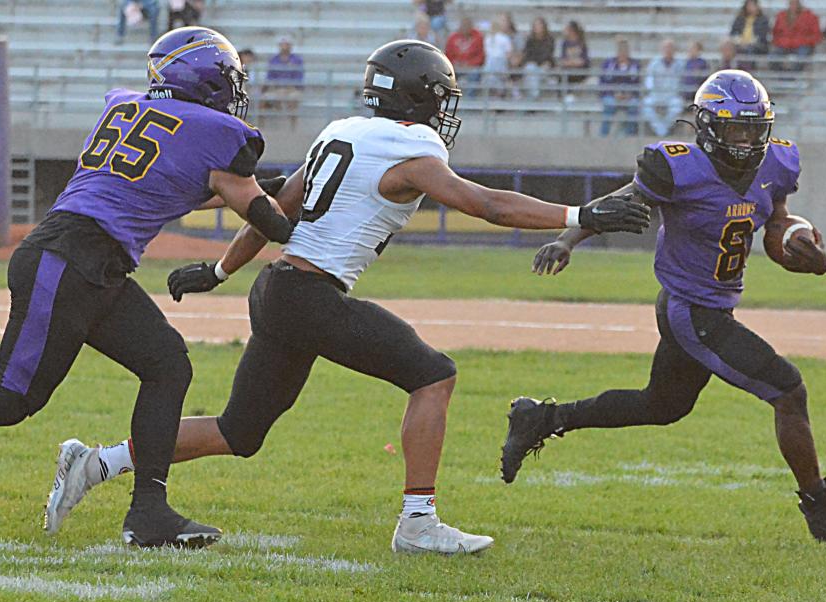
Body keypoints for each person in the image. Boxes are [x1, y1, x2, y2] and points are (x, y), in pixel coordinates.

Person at [44, 40, 651, 555]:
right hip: (308, 294)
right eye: (441, 97)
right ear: (421, 98)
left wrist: (223, 270)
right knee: (434, 375)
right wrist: (580, 211)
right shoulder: (410, 150)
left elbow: (278, 206)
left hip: (277, 288)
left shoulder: (343, 131)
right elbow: (484, 203)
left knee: (241, 430)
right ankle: (418, 521)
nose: (445, 110)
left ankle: (97, 462)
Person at [502, 69, 826, 544]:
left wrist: (803, 254)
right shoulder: (678, 166)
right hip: (690, 308)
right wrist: (567, 238)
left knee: (663, 405)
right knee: (788, 390)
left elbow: (774, 225)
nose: (747, 139)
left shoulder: (778, 163)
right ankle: (823, 514)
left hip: (711, 308)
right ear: (708, 128)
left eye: (754, 127)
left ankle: (542, 418)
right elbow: (625, 198)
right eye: (735, 128)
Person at [0, 26, 295, 548]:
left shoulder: (133, 108)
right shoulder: (213, 129)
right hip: (68, 257)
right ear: (204, 78)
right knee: (12, 397)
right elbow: (263, 215)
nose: (234, 90)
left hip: (88, 261)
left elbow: (191, 186)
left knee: (166, 364)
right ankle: (148, 510)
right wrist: (309, 208)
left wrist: (271, 191)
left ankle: (149, 513)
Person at [642, 39, 684, 136]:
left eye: (670, 48)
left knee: (677, 105)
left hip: (672, 95)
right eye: (666, 48)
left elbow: (682, 81)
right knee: (646, 104)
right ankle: (660, 130)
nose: (668, 50)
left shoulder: (680, 64)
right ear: (662, 50)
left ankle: (663, 129)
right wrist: (652, 89)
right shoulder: (654, 63)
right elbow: (649, 80)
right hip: (656, 94)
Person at [600, 38, 640, 136]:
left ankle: (629, 135)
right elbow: (603, 82)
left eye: (625, 50)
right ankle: (603, 136)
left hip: (629, 96)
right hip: (612, 95)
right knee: (609, 104)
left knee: (634, 105)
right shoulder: (609, 64)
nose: (623, 52)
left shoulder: (635, 65)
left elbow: (638, 83)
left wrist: (630, 94)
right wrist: (613, 93)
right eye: (621, 50)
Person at [772, 0, 823, 71]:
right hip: (784, 45)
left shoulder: (810, 17)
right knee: (773, 57)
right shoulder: (781, 16)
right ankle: (782, 76)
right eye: (791, 3)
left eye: (795, 3)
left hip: (803, 46)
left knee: (801, 57)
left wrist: (803, 41)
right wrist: (782, 42)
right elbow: (775, 33)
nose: (793, 5)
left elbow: (816, 36)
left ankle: (792, 76)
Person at [263, 35, 304, 120]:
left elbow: (299, 78)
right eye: (283, 44)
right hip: (276, 89)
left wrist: (289, 88)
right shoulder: (273, 60)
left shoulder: (297, 60)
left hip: (292, 89)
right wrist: (276, 87)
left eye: (287, 44)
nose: (284, 47)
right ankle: (261, 126)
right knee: (263, 99)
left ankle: (293, 127)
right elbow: (270, 77)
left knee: (294, 98)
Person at [521, 17, 556, 100]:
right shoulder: (530, 40)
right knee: (530, 68)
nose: (537, 27)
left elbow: (547, 55)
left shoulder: (549, 39)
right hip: (534, 66)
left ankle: (532, 98)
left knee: (536, 71)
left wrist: (536, 60)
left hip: (545, 65)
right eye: (536, 25)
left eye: (539, 25)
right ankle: (534, 96)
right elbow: (527, 54)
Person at [445, 15, 485, 88]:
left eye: (467, 25)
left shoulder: (478, 37)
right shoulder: (453, 38)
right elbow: (448, 54)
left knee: (475, 73)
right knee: (447, 73)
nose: (465, 28)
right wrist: (455, 63)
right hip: (456, 66)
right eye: (463, 25)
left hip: (472, 67)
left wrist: (469, 64)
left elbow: (480, 56)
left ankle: (471, 98)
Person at [483, 18, 514, 97]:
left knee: (495, 68)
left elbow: (508, 53)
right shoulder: (488, 39)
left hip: (500, 63)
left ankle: (502, 92)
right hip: (491, 63)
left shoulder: (504, 38)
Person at [559, 20, 590, 87]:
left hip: (580, 71)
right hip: (568, 70)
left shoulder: (582, 43)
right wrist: (573, 62)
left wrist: (571, 63)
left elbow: (583, 61)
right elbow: (563, 61)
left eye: (566, 29)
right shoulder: (565, 43)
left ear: (572, 31)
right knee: (561, 76)